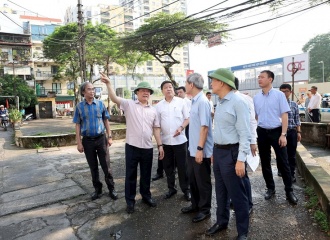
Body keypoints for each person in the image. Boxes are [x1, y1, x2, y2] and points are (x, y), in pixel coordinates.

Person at [100, 73, 164, 214]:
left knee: (146, 175)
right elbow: (114, 98)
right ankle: (130, 201)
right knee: (130, 175)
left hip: (147, 147)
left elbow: (156, 129)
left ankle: (146, 196)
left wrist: (160, 145)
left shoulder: (154, 111)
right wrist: (109, 84)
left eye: (148, 91)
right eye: (143, 90)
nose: (145, 93)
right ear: (137, 93)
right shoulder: (129, 104)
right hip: (132, 147)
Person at [205, 69, 251, 240]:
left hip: (232, 153)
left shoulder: (238, 102)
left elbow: (245, 133)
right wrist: (213, 152)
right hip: (219, 152)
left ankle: (242, 232)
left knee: (237, 194)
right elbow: (221, 130)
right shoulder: (222, 102)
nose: (211, 83)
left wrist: (241, 160)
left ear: (222, 83)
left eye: (214, 80)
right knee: (221, 190)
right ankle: (222, 221)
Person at [254, 70, 298, 205]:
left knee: (283, 162)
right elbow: (256, 116)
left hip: (277, 131)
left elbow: (285, 115)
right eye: (258, 77)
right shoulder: (256, 97)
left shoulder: (279, 95)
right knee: (265, 162)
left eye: (262, 77)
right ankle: (270, 188)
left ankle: (289, 191)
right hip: (262, 132)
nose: (259, 79)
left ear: (270, 79)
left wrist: (283, 134)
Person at [73, 82, 118, 201]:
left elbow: (106, 121)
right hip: (87, 141)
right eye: (89, 89)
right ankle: (97, 190)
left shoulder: (100, 104)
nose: (92, 91)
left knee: (106, 166)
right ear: (83, 92)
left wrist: (110, 136)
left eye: (93, 89)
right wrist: (79, 142)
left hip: (101, 139)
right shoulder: (79, 107)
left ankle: (111, 189)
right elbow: (77, 125)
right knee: (93, 167)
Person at [181, 73, 213, 224]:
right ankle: (195, 205)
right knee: (193, 180)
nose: (185, 86)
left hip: (200, 150)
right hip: (192, 149)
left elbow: (204, 127)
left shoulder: (203, 102)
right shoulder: (193, 101)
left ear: (191, 84)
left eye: (186, 83)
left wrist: (200, 149)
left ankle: (205, 210)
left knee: (203, 181)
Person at [155, 81, 191, 201]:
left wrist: (181, 128)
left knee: (183, 167)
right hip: (166, 142)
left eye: (170, 87)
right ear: (162, 91)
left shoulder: (181, 102)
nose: (168, 89)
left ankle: (186, 190)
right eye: (165, 87)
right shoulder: (159, 106)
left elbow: (187, 118)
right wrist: (159, 144)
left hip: (180, 141)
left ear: (173, 89)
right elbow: (157, 126)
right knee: (168, 167)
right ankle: (171, 189)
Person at [234, 77, 257, 214]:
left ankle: (248, 203)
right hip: (229, 144)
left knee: (242, 174)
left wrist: (253, 141)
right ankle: (237, 200)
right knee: (233, 175)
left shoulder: (244, 99)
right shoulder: (223, 100)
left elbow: (252, 121)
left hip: (242, 142)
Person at [279, 84, 301, 183]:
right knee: (281, 154)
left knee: (291, 155)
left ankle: (291, 174)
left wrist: (299, 132)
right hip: (280, 133)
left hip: (292, 132)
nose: (284, 93)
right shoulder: (276, 104)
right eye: (282, 91)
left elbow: (297, 119)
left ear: (290, 92)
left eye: (286, 91)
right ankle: (282, 171)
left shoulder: (294, 104)